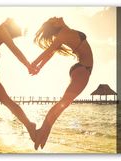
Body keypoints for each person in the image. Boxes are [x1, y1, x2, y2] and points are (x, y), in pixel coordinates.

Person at [31, 17, 93, 150]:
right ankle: (42, 132)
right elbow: (48, 52)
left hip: (81, 69)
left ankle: (43, 131)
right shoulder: (63, 34)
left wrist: (39, 67)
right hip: (83, 69)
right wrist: (35, 64)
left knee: (63, 103)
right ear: (55, 25)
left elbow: (50, 54)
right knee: (63, 103)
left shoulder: (65, 31)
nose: (54, 17)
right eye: (52, 19)